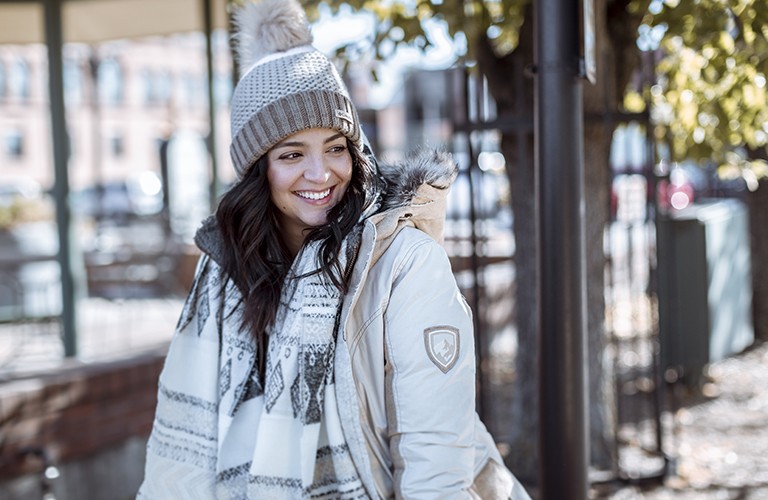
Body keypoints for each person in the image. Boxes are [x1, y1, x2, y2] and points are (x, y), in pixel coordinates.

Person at [138, 0, 530, 498]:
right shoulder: (226, 275)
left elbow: (435, 457)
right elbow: (183, 456)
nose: (321, 174)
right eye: (292, 154)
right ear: (257, 170)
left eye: (336, 147)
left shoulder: (403, 263)